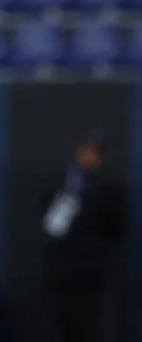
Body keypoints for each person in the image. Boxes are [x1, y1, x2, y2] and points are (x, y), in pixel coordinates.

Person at [39, 131, 127, 342]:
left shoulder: (109, 189)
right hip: (60, 267)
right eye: (86, 151)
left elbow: (116, 227)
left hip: (91, 269)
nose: (90, 157)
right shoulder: (60, 185)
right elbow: (50, 224)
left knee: (88, 323)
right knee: (60, 322)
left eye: (95, 153)